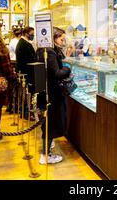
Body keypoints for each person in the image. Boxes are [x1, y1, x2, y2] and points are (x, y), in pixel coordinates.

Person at [36, 27, 71, 165]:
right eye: (61, 39)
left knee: (48, 123)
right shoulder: (49, 52)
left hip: (47, 92)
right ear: (54, 38)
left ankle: (47, 148)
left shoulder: (44, 50)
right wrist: (67, 69)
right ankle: (45, 155)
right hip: (52, 94)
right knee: (51, 123)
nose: (63, 42)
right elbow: (56, 73)